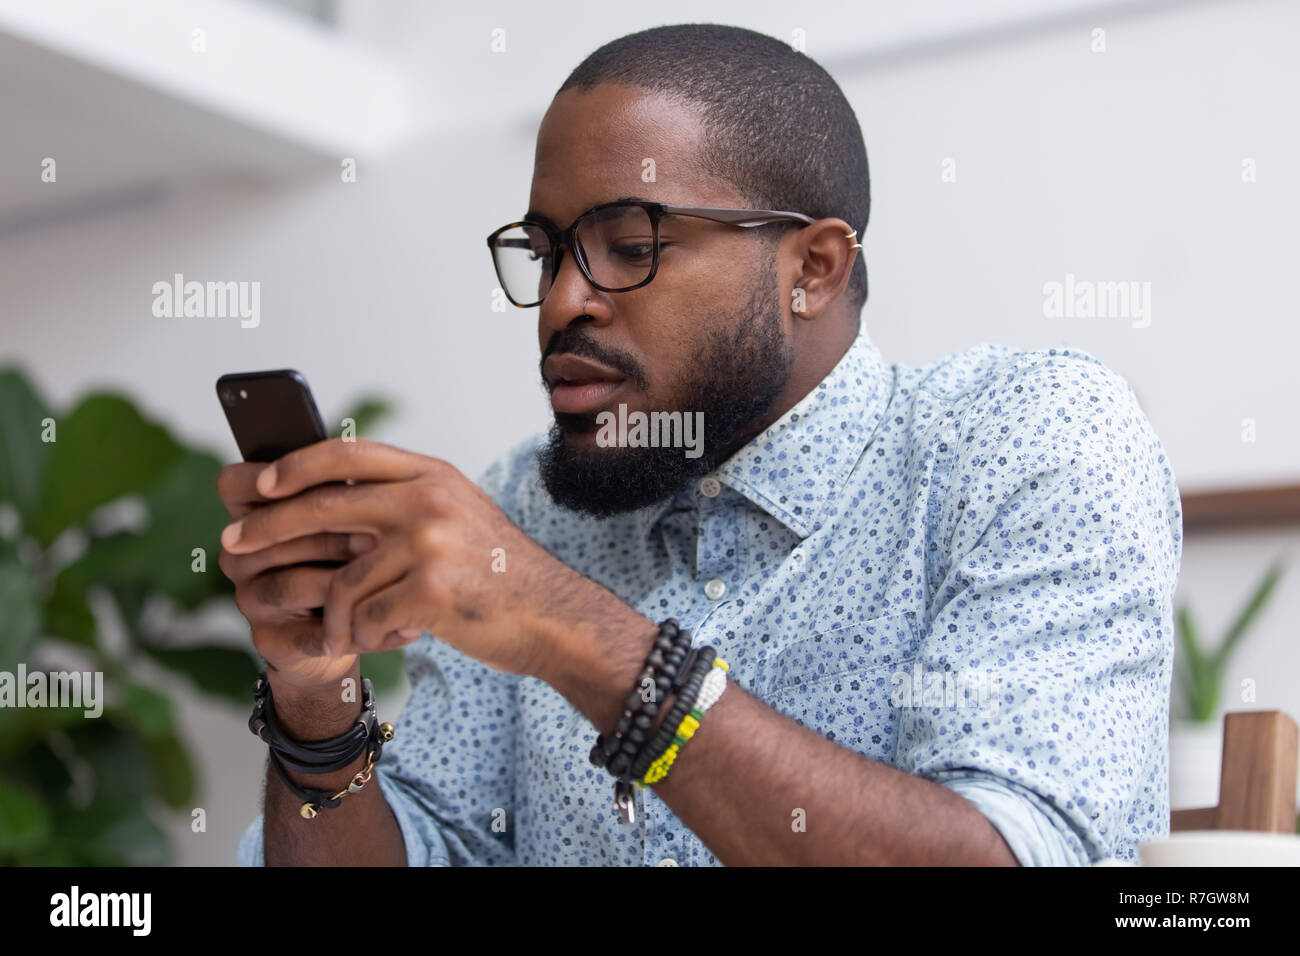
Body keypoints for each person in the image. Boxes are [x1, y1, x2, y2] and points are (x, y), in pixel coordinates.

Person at [223, 23, 1182, 866]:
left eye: (629, 245)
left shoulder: (1024, 441)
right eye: (547, 251)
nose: (563, 301)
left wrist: (569, 632)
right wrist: (318, 712)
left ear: (812, 267)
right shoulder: (524, 503)